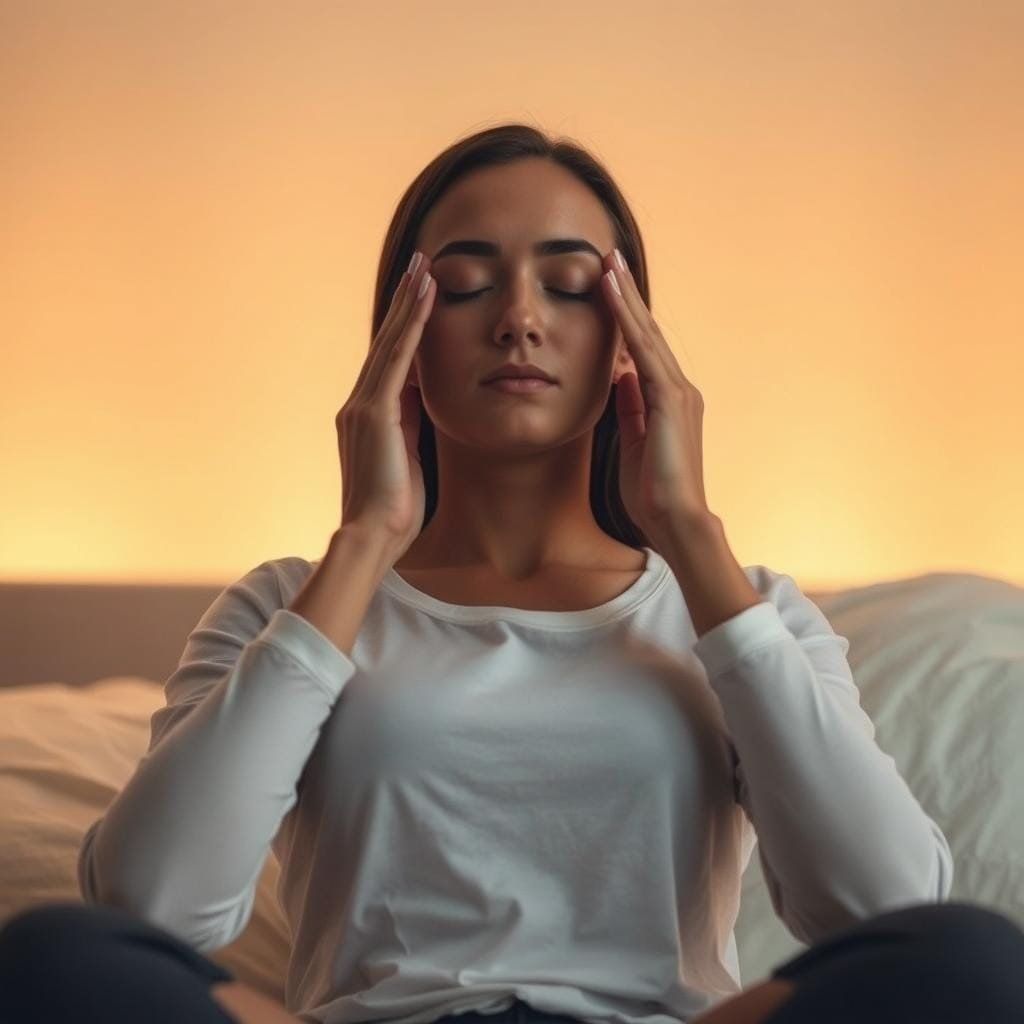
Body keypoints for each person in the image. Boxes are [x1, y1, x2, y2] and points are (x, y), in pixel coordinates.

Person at [3, 123, 1022, 1024]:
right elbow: (148, 908)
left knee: (972, 962)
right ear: (401, 332)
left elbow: (888, 911)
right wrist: (364, 541)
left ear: (631, 339)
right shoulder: (289, 606)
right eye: (467, 281)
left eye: (572, 284)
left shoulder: (746, 609)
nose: (520, 318)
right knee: (55, 962)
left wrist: (692, 538)